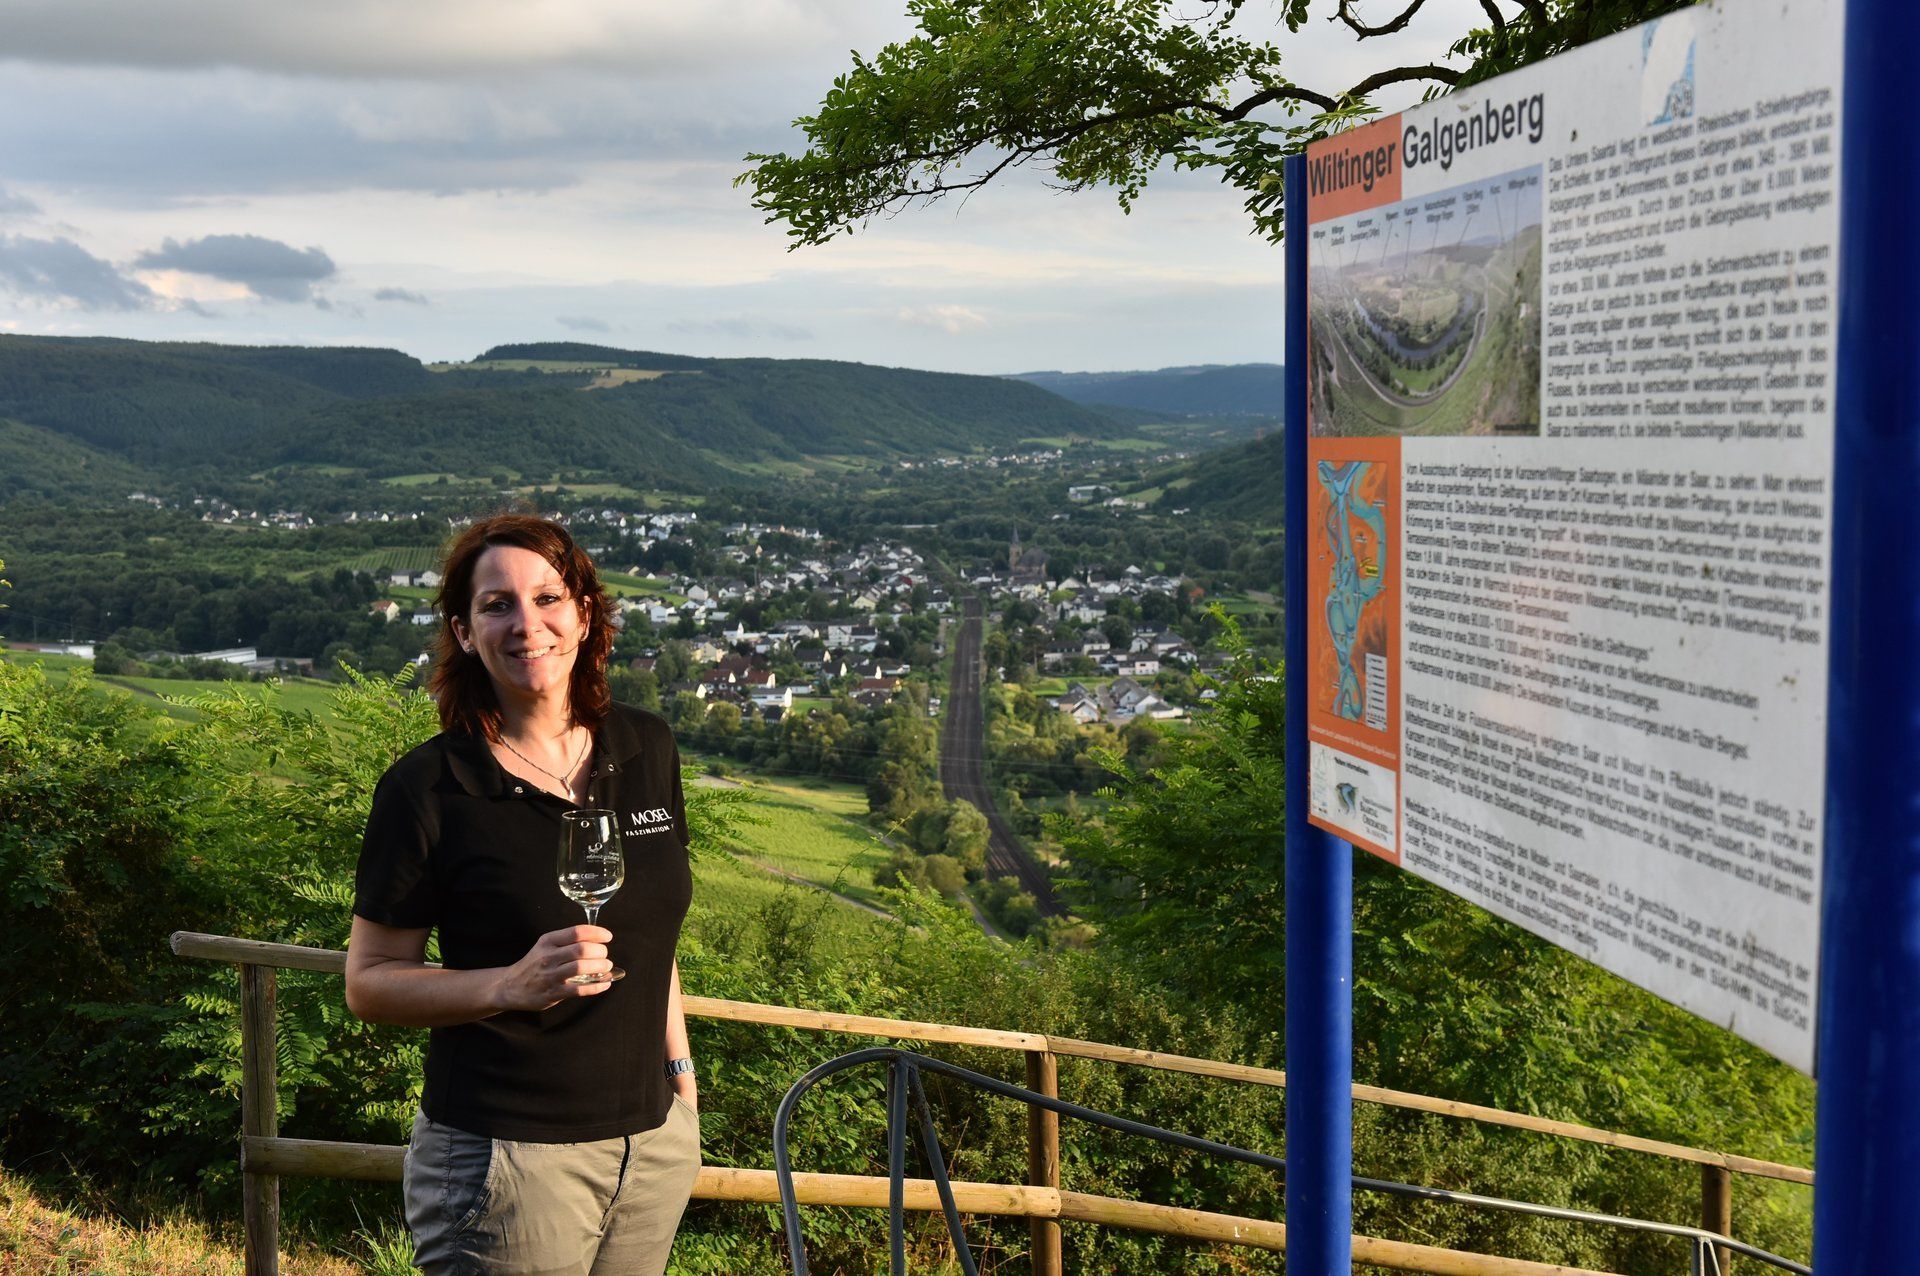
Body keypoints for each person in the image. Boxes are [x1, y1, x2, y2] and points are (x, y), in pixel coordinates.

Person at [345, 513, 700, 1275]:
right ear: (465, 631)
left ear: (584, 613)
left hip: (652, 1147)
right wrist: (509, 985)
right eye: (497, 604)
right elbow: (368, 984)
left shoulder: (648, 748)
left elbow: (654, 935)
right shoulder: (428, 788)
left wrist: (680, 1080)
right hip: (507, 1157)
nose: (527, 623)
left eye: (548, 597)